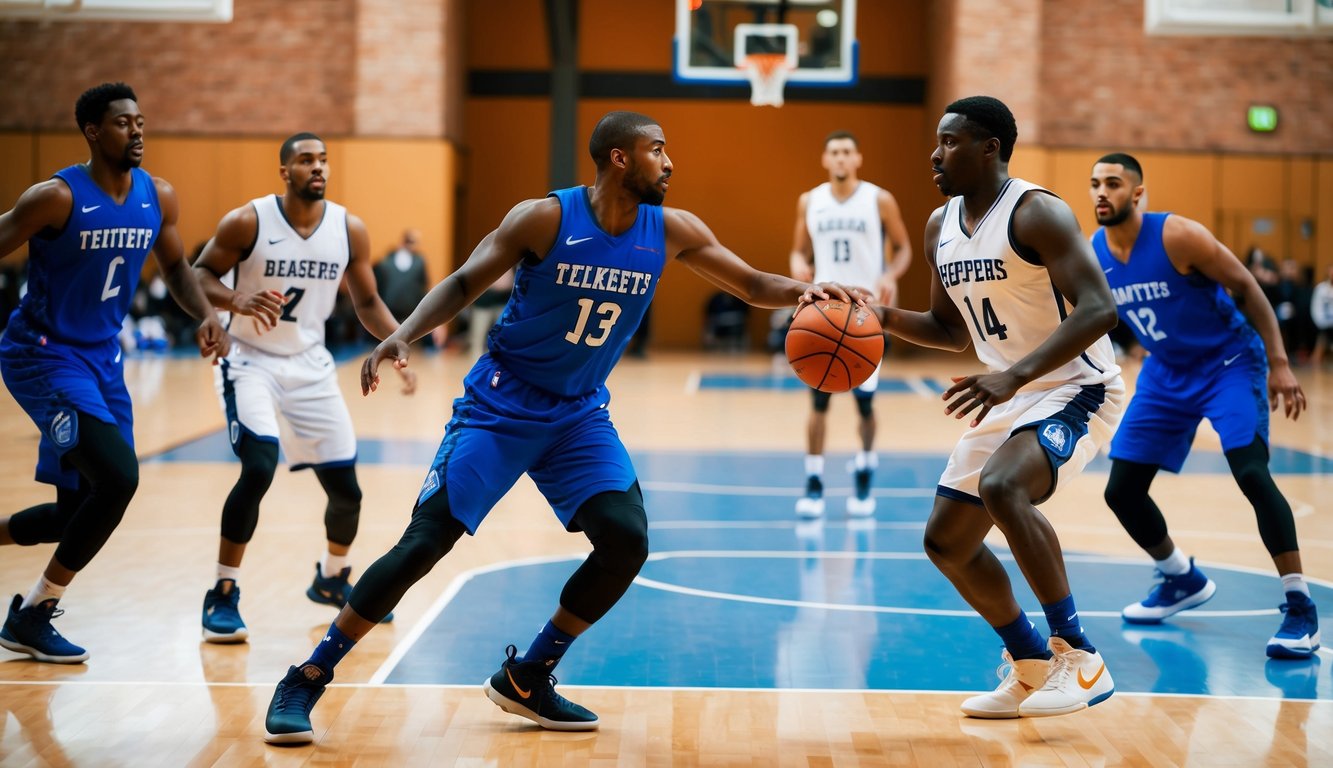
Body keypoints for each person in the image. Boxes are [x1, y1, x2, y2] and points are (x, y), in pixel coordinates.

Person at [260, 110, 857, 744]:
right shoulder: (545, 217)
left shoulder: (672, 229)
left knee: (626, 541)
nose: (670, 162)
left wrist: (806, 290)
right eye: (658, 150)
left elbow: (753, 283)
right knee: (424, 545)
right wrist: (401, 335)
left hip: (577, 415)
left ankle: (529, 675)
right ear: (620, 159)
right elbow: (465, 280)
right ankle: (307, 676)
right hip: (500, 406)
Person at [872, 96, 1123, 718]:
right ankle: (1031, 662)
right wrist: (873, 317)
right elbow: (946, 327)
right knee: (946, 542)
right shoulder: (940, 226)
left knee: (1003, 486)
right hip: (1010, 389)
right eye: (938, 140)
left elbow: (1099, 309)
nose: (936, 153)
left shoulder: (1037, 212)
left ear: (990, 148)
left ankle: (1081, 658)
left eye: (951, 141)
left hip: (1076, 386)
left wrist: (1013, 376)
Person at [0, 82, 228, 662]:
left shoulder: (158, 196)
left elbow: (177, 268)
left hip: (104, 361)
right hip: (44, 354)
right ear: (93, 132)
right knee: (120, 479)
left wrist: (204, 315)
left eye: (141, 121)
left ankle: (26, 605)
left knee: (75, 514)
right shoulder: (54, 197)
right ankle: (34, 613)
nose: (137, 131)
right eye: (124, 123)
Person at [1089, 152, 1317, 659]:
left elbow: (1247, 287)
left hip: (1229, 361)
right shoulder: (1095, 253)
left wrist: (1279, 362)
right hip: (1166, 371)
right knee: (1122, 490)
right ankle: (1179, 578)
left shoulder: (1177, 236)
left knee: (1252, 475)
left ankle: (1300, 606)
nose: (1102, 192)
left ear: (1138, 193)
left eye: (1114, 183)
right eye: (1095, 184)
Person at [191, 133, 415, 644]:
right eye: (305, 160)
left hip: (310, 365)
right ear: (285, 171)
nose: (317, 167)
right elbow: (197, 275)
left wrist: (399, 343)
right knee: (258, 465)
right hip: (249, 361)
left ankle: (333, 579)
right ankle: (223, 592)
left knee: (347, 492)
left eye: (323, 160)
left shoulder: (347, 228)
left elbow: (367, 301)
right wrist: (235, 299)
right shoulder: (248, 220)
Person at [789, 130, 911, 519]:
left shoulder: (879, 199)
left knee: (865, 403)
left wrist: (891, 274)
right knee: (818, 399)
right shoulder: (810, 200)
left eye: (846, 152)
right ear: (825, 160)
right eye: (834, 153)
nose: (840, 159)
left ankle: (864, 465)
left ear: (858, 158)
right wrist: (797, 267)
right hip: (824, 311)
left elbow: (905, 246)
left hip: (865, 313)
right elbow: (797, 250)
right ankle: (813, 480)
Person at [373, 229, 429, 324]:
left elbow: (423, 287)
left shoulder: (419, 262)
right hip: (389, 313)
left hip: (410, 313)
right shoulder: (386, 262)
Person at [1310, 264, 1333, 367]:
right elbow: (1316, 308)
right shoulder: (1321, 289)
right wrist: (1322, 322)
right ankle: (1316, 359)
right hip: (1324, 323)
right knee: (1323, 336)